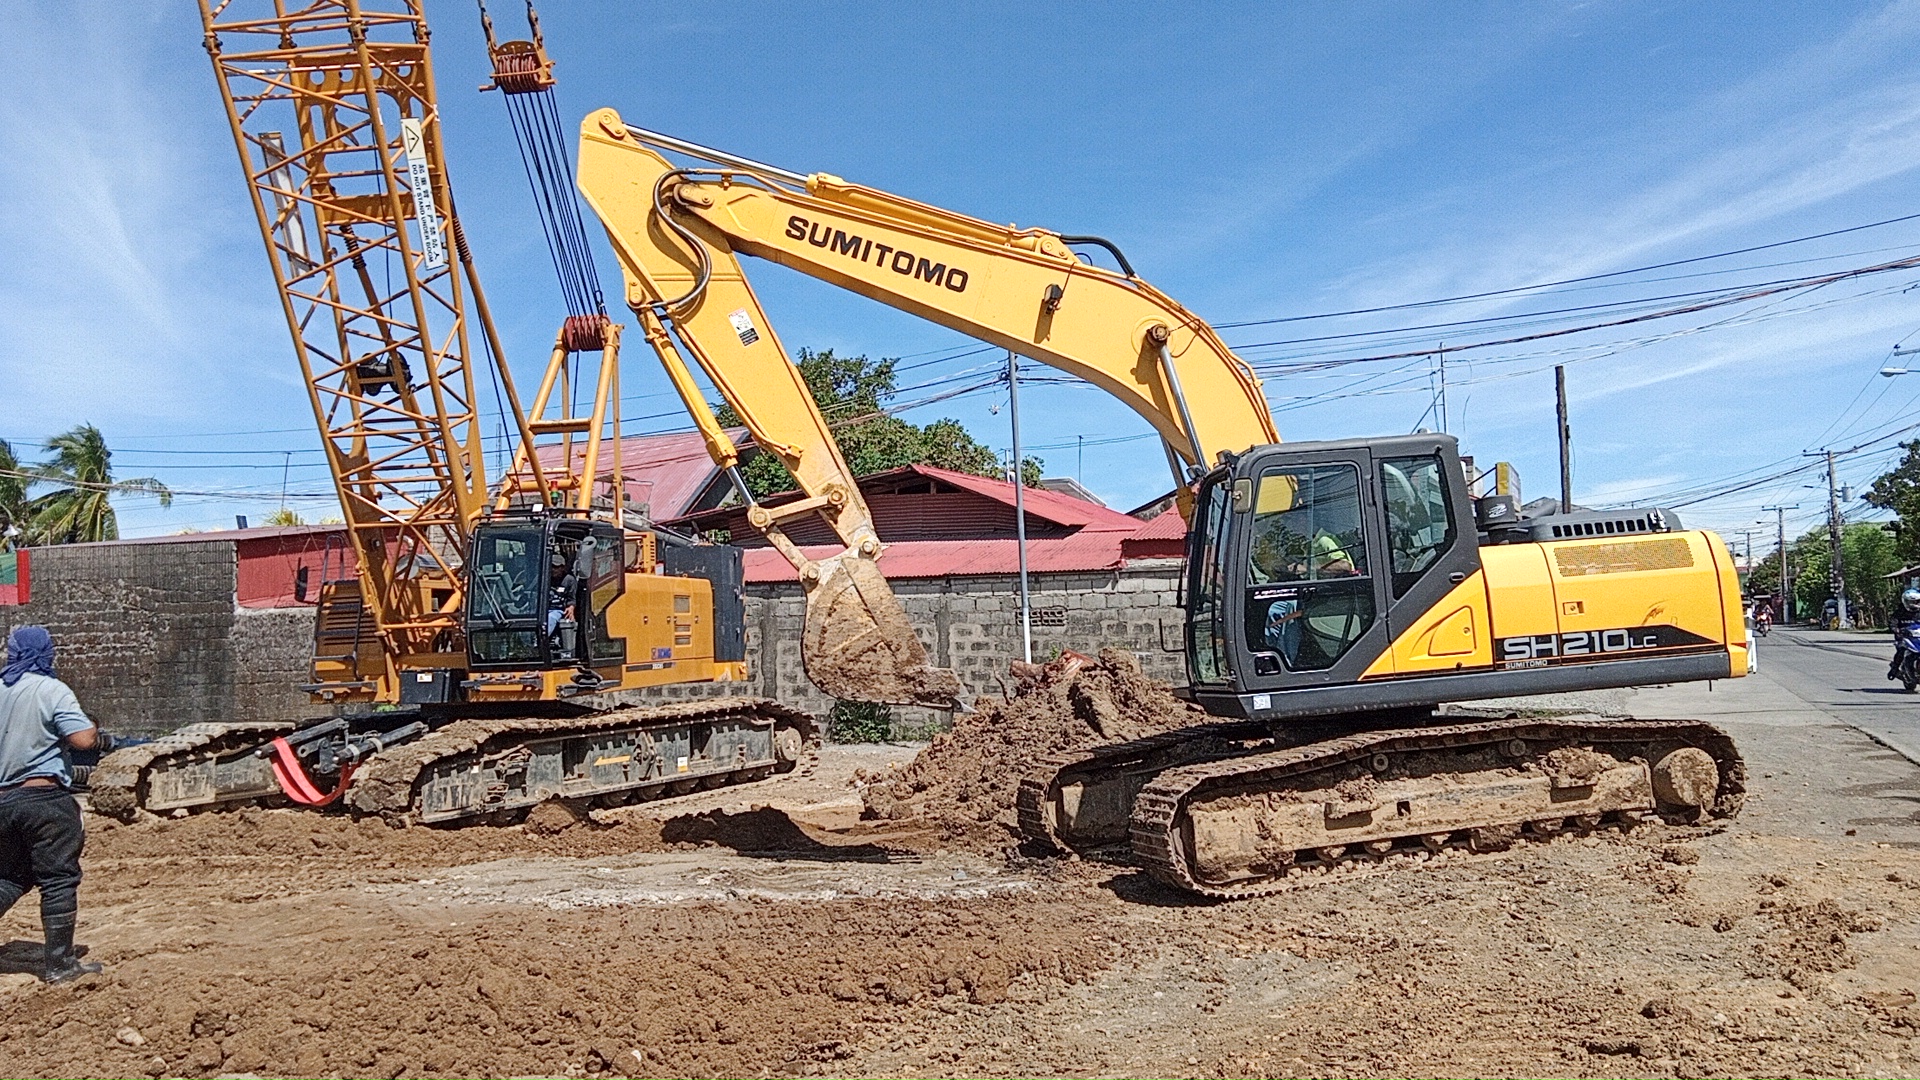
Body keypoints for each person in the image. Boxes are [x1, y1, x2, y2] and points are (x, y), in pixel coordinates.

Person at [0, 626, 111, 984]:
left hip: (3, 800)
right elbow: (82, 739)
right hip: (43, 799)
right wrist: (93, 727)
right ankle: (61, 966)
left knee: (12, 875)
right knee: (59, 878)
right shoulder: (51, 690)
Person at [1888, 589, 1920, 681]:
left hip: (1918, 636)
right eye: (1914, 601)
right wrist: (1896, 629)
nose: (1916, 603)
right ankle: (1894, 669)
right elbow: (1892, 623)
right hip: (1904, 637)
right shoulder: (1899, 612)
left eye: (1918, 601)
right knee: (1901, 650)